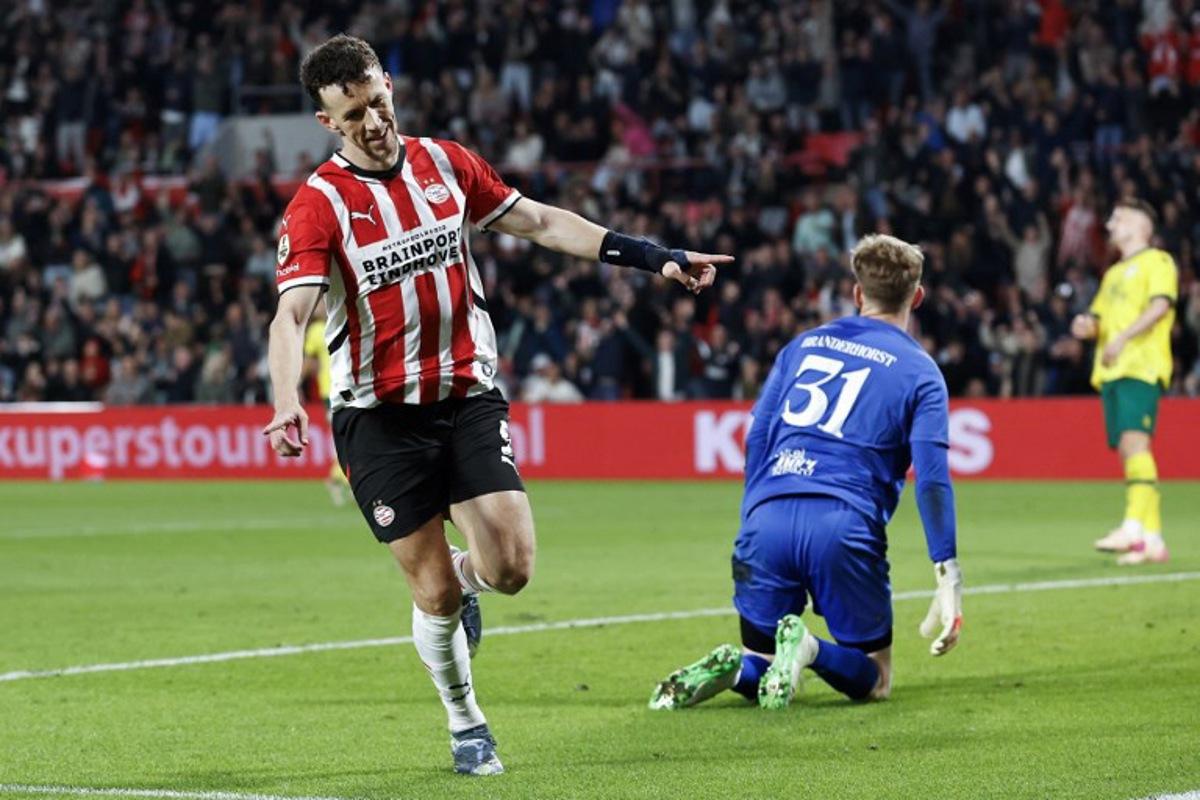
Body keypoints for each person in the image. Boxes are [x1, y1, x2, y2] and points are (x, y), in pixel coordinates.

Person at [261, 35, 730, 776]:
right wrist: (285, 400)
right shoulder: (318, 208)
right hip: (379, 417)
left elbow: (541, 222)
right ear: (328, 124)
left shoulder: (446, 163)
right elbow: (291, 317)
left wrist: (654, 254)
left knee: (511, 568)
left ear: (389, 84)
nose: (374, 122)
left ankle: (462, 580)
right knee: (435, 596)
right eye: (353, 117)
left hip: (468, 393)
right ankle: (466, 721)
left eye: (378, 101)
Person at [649, 234, 961, 711]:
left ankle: (737, 668)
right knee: (875, 677)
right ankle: (810, 649)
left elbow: (757, 436)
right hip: (843, 522)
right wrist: (947, 570)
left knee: (763, 660)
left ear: (857, 294)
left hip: (767, 514)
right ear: (916, 297)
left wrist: (754, 510)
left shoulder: (803, 345)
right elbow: (933, 477)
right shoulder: (921, 371)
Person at [1072, 199, 1178, 565]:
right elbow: (1099, 318)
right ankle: (1152, 539)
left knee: (1135, 445)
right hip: (1113, 371)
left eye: (1119, 217)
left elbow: (1161, 305)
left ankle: (1133, 526)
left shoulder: (1158, 261)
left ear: (1142, 226)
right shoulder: (1114, 273)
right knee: (1131, 451)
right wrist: (1088, 327)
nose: (1111, 222)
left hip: (1140, 365)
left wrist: (1122, 338)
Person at [301, 301, 351, 506]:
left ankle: (343, 478)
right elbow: (310, 363)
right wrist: (294, 387)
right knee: (343, 435)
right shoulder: (315, 330)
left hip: (352, 387)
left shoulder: (344, 321)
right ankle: (337, 478)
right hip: (330, 392)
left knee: (349, 434)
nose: (320, 307)